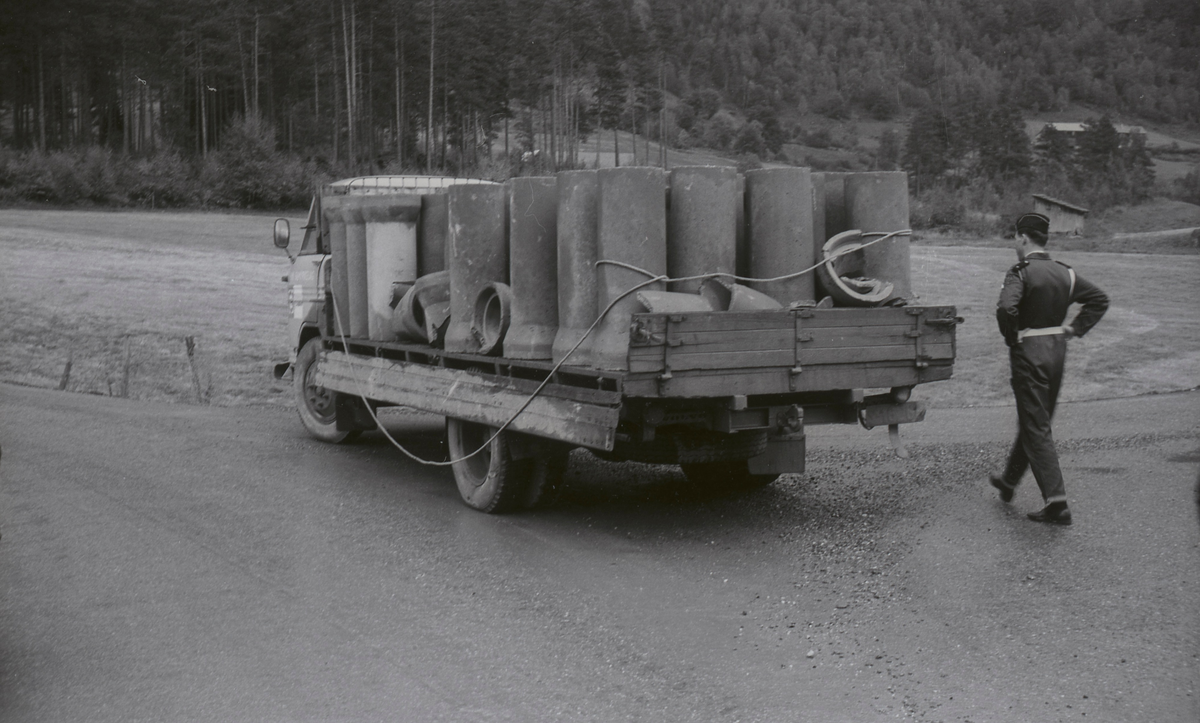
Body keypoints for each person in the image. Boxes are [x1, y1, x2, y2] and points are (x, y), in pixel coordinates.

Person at [989, 212, 1109, 525]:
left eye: (1015, 237)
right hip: (1057, 351)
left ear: (1023, 238)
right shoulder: (1065, 273)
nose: (1015, 242)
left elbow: (1005, 308)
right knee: (1036, 420)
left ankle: (1057, 502)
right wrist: (1074, 329)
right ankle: (1009, 482)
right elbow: (1099, 300)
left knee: (1036, 425)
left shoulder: (1022, 271)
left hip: (1029, 352)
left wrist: (1011, 336)